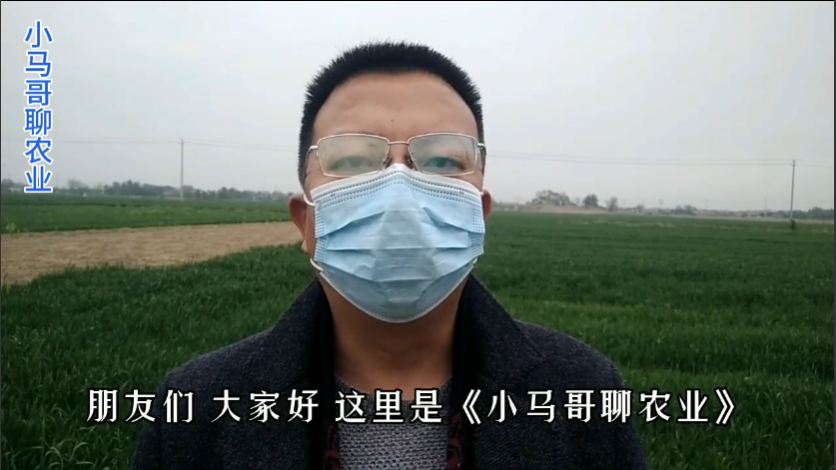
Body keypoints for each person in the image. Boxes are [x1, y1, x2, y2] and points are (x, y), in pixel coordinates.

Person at [131, 40, 647, 470]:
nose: (399, 188)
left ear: (480, 215)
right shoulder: (195, 409)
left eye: (442, 161)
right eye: (354, 161)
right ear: (306, 222)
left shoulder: (585, 393)